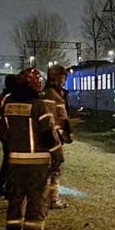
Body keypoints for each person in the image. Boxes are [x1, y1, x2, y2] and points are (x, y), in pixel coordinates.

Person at [0, 68, 60, 230]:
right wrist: (58, 155)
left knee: (15, 202)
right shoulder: (39, 106)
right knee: (36, 201)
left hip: (14, 162)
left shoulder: (8, 104)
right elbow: (48, 134)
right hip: (37, 163)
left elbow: (2, 131)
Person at [42, 64, 73, 209]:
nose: (64, 80)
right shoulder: (50, 94)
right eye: (62, 77)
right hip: (52, 138)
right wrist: (62, 133)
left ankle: (49, 198)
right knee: (54, 170)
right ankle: (52, 200)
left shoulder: (56, 93)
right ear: (54, 77)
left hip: (55, 136)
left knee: (53, 170)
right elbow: (51, 119)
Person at [0, 74, 19, 199]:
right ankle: (6, 188)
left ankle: (3, 188)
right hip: (8, 134)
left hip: (5, 133)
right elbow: (2, 116)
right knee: (9, 161)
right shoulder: (8, 98)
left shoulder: (3, 96)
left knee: (8, 160)